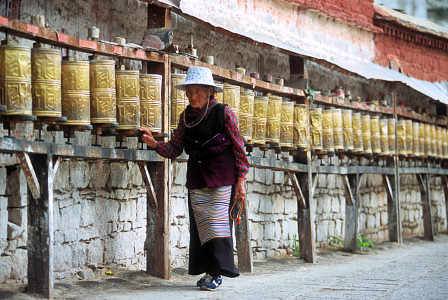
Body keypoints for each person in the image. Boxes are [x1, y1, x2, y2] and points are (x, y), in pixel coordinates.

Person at [139, 66, 249, 291]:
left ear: (210, 91)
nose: (192, 96)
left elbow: (239, 148)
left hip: (221, 177)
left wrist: (241, 180)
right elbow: (175, 148)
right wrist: (154, 144)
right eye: (189, 91)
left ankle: (216, 273)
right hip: (197, 178)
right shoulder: (186, 117)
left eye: (198, 91)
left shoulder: (224, 113)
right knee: (201, 227)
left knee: (217, 225)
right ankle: (209, 271)